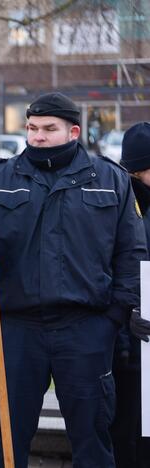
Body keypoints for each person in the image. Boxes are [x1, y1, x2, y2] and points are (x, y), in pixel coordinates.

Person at [0, 92, 147, 467]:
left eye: (48, 129)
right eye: (31, 128)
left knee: (92, 436)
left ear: (73, 131)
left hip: (85, 329)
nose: (37, 137)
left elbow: (131, 253)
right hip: (17, 329)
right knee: (9, 437)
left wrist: (113, 319)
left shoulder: (109, 180)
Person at [112, 122, 150, 468]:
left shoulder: (115, 197)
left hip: (130, 339)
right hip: (131, 342)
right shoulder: (126, 205)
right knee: (131, 429)